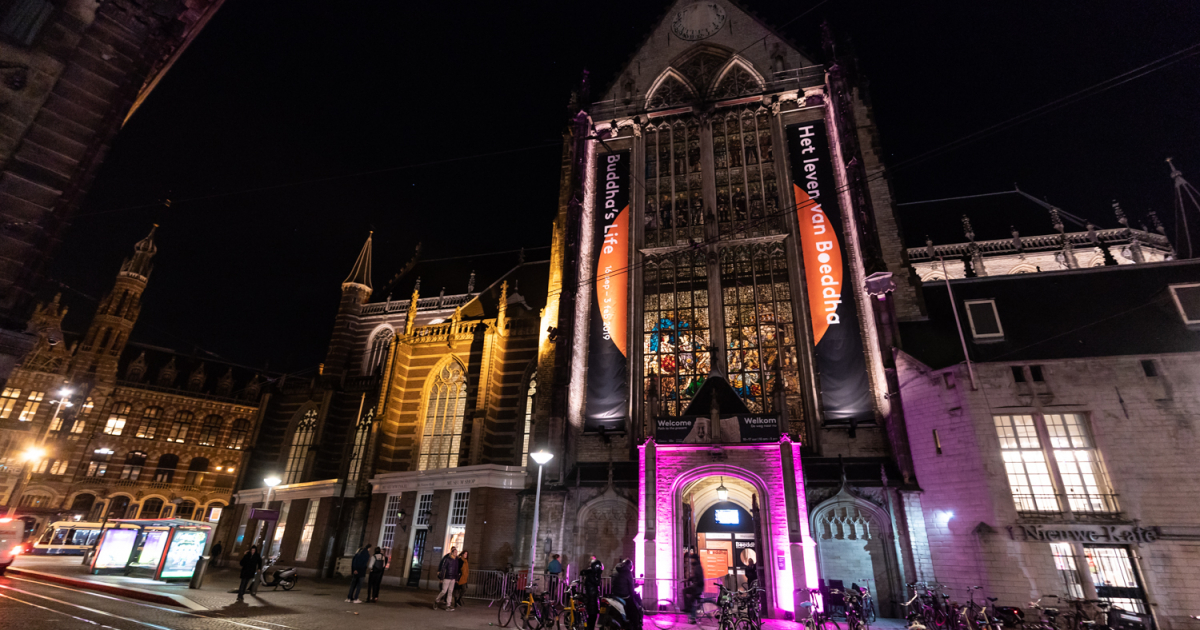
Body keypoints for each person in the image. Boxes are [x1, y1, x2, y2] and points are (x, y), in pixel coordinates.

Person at [434, 546, 460, 611]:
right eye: (455, 552)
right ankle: (436, 601)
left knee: (450, 592)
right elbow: (443, 568)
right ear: (452, 553)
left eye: (456, 552)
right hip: (447, 577)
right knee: (444, 591)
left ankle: (448, 605)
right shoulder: (448, 559)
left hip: (453, 578)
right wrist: (441, 578)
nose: (456, 553)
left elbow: (456, 569)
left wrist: (456, 578)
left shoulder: (456, 560)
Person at [582, 555, 604, 630]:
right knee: (592, 616)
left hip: (592, 598)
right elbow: (597, 583)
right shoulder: (591, 575)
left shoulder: (591, 574)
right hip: (591, 599)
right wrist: (599, 574)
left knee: (593, 616)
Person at [683, 551, 704, 624]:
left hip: (698, 588)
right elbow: (694, 577)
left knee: (686, 594)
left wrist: (693, 583)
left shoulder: (698, 567)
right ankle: (692, 617)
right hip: (697, 587)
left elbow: (698, 578)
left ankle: (689, 611)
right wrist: (688, 580)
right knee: (692, 601)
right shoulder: (697, 566)